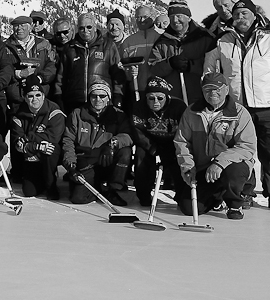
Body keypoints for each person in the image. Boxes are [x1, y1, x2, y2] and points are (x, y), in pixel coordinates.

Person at [203, 0, 270, 212]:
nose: (240, 18)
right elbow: (209, 71)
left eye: (245, 14)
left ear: (254, 15)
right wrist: (214, 95)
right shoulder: (222, 41)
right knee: (242, 151)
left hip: (267, 105)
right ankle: (245, 192)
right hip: (236, 109)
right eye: (237, 15)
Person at [173, 73, 256, 220]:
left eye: (216, 89)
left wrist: (219, 163)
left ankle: (234, 204)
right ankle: (217, 198)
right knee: (188, 208)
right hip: (203, 168)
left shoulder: (240, 113)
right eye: (207, 89)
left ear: (226, 89)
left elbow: (247, 147)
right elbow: (182, 142)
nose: (212, 93)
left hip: (230, 166)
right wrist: (187, 167)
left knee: (234, 172)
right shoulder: (191, 112)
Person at [61, 82, 133, 206]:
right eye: (94, 96)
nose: (97, 100)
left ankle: (112, 189)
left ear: (108, 98)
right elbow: (68, 141)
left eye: (102, 96)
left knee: (125, 152)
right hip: (86, 162)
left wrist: (112, 144)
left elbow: (128, 136)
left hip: (107, 159)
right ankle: (98, 186)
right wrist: (71, 166)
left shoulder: (118, 114)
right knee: (78, 198)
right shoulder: (77, 114)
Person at [130, 76, 188, 206]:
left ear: (166, 97)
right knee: (141, 158)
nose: (155, 101)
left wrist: (175, 147)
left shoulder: (178, 107)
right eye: (151, 98)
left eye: (160, 98)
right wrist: (152, 148)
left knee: (179, 162)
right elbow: (137, 131)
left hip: (174, 142)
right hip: (150, 142)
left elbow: (186, 130)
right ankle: (144, 196)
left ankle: (181, 195)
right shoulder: (139, 107)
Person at [55, 14, 124, 113]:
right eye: (81, 28)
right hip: (75, 103)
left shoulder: (108, 46)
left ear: (95, 27)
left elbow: (118, 74)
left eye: (89, 27)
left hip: (101, 102)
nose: (85, 31)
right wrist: (58, 97)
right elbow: (61, 77)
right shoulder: (69, 48)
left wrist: (118, 95)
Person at [10, 77, 65, 199]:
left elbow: (53, 138)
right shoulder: (18, 116)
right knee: (29, 192)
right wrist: (36, 146)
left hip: (49, 154)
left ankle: (51, 184)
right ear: (25, 98)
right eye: (30, 96)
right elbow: (17, 144)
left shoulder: (54, 111)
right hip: (30, 156)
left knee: (51, 148)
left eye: (38, 95)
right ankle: (40, 181)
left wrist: (28, 137)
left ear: (43, 96)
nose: (35, 99)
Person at [149, 0, 212, 102]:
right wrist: (169, 63)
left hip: (200, 96)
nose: (175, 20)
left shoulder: (204, 38)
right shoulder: (162, 42)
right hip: (173, 98)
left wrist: (191, 66)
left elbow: (214, 65)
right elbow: (153, 67)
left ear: (188, 17)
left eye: (179, 16)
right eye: (171, 17)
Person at [4, 15, 57, 108]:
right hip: (17, 97)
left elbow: (51, 66)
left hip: (40, 96)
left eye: (23, 25)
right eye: (16, 26)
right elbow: (3, 70)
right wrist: (19, 73)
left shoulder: (43, 44)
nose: (19, 28)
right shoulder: (6, 47)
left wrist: (40, 78)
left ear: (30, 27)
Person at [119, 5, 161, 103]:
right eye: (138, 17)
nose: (141, 20)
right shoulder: (128, 42)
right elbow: (121, 67)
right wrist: (129, 73)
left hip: (158, 92)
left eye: (145, 17)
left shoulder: (161, 38)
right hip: (137, 90)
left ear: (152, 17)